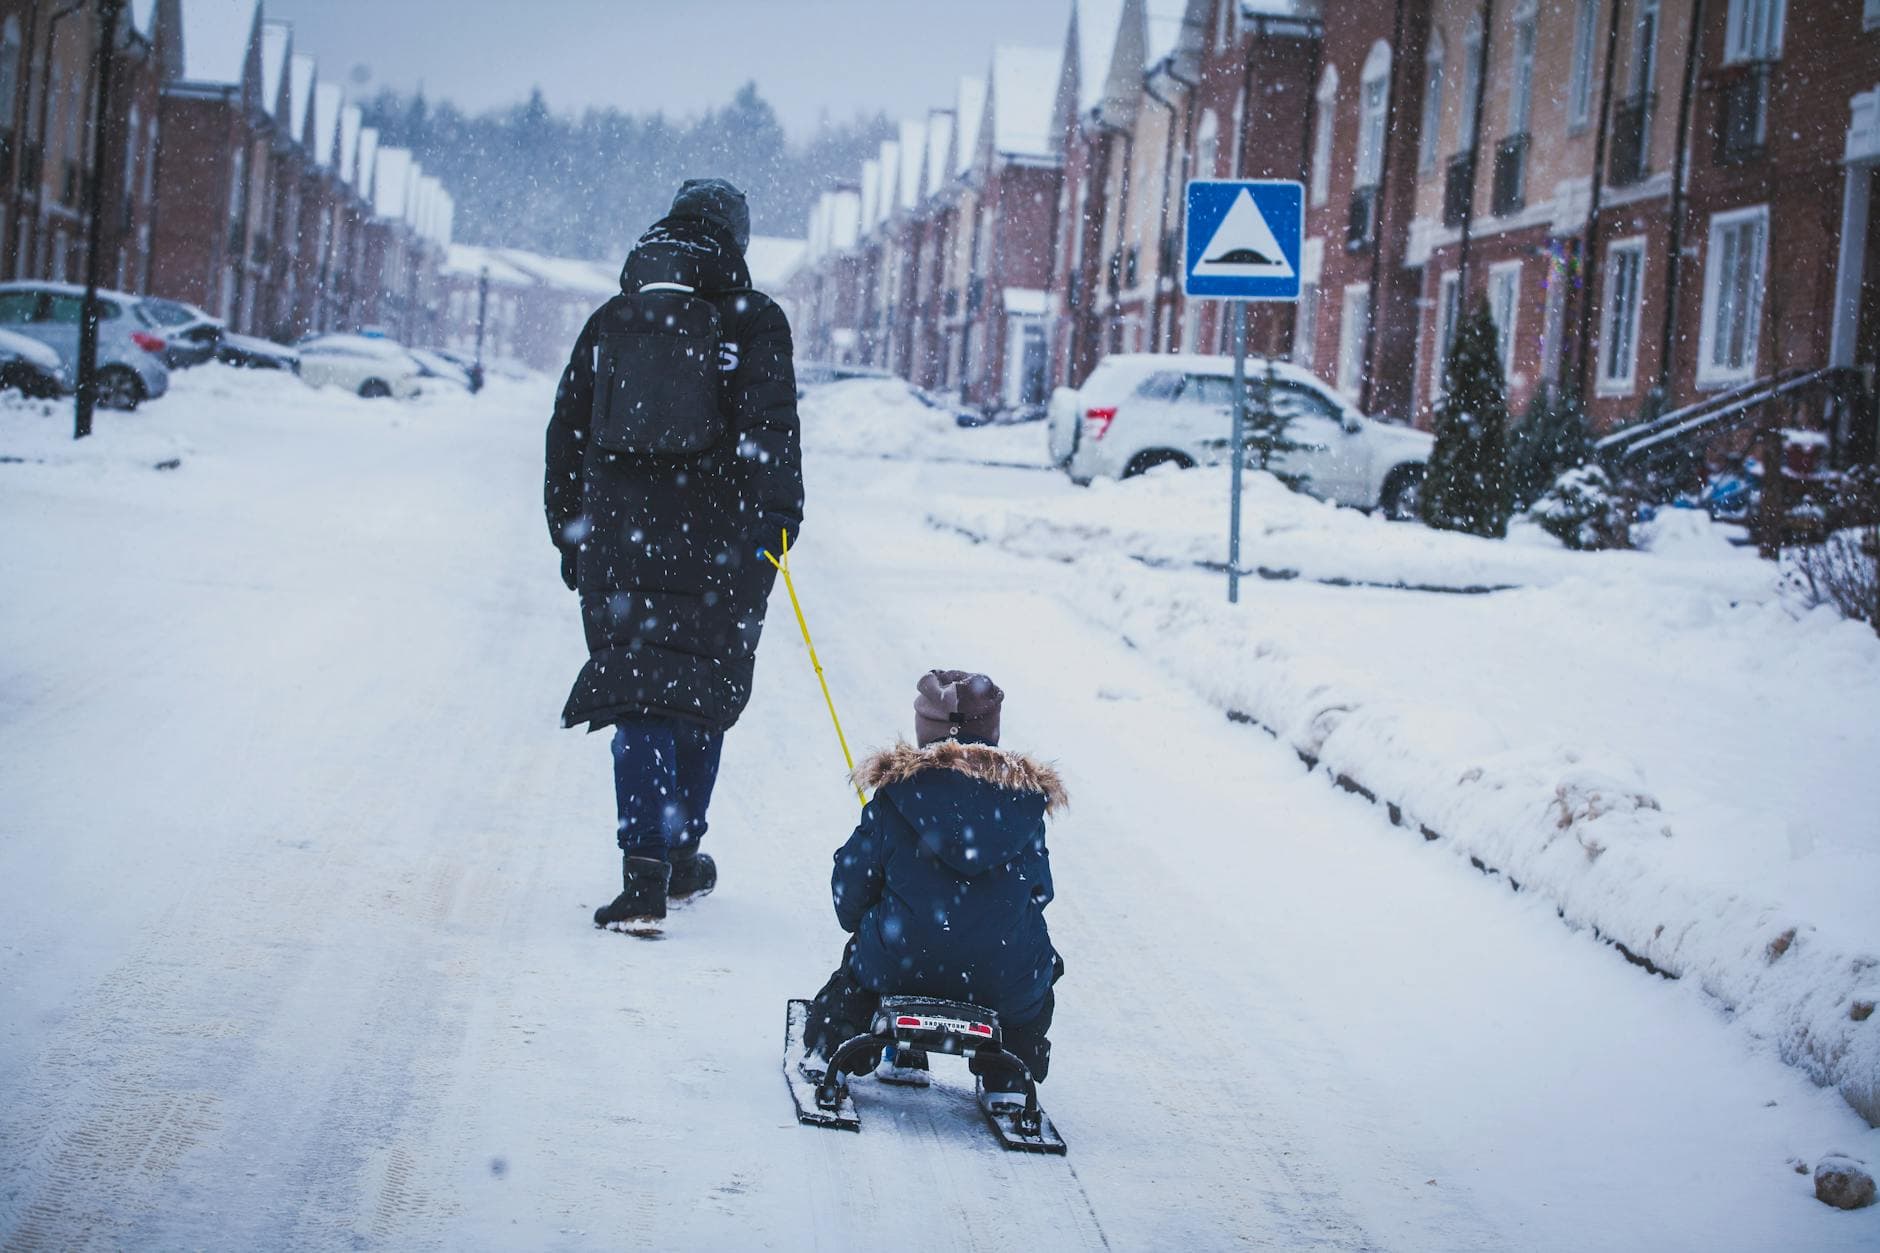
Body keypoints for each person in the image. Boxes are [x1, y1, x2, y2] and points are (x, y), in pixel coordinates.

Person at [544, 178, 803, 931]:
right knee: (698, 694)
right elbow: (772, 435)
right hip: (719, 546)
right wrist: (775, 531)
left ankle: (645, 868)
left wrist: (572, 533)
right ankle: (682, 848)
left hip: (620, 544)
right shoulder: (755, 324)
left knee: (638, 694)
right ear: (737, 242)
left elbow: (566, 434)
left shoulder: (613, 321)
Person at [802, 671, 1067, 1107]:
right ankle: (1008, 1076)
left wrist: (869, 917)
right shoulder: (1023, 806)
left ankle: (831, 1046)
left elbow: (851, 888)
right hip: (1000, 976)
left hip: (901, 964)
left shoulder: (897, 796)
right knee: (1033, 977)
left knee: (861, 966)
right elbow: (1040, 893)